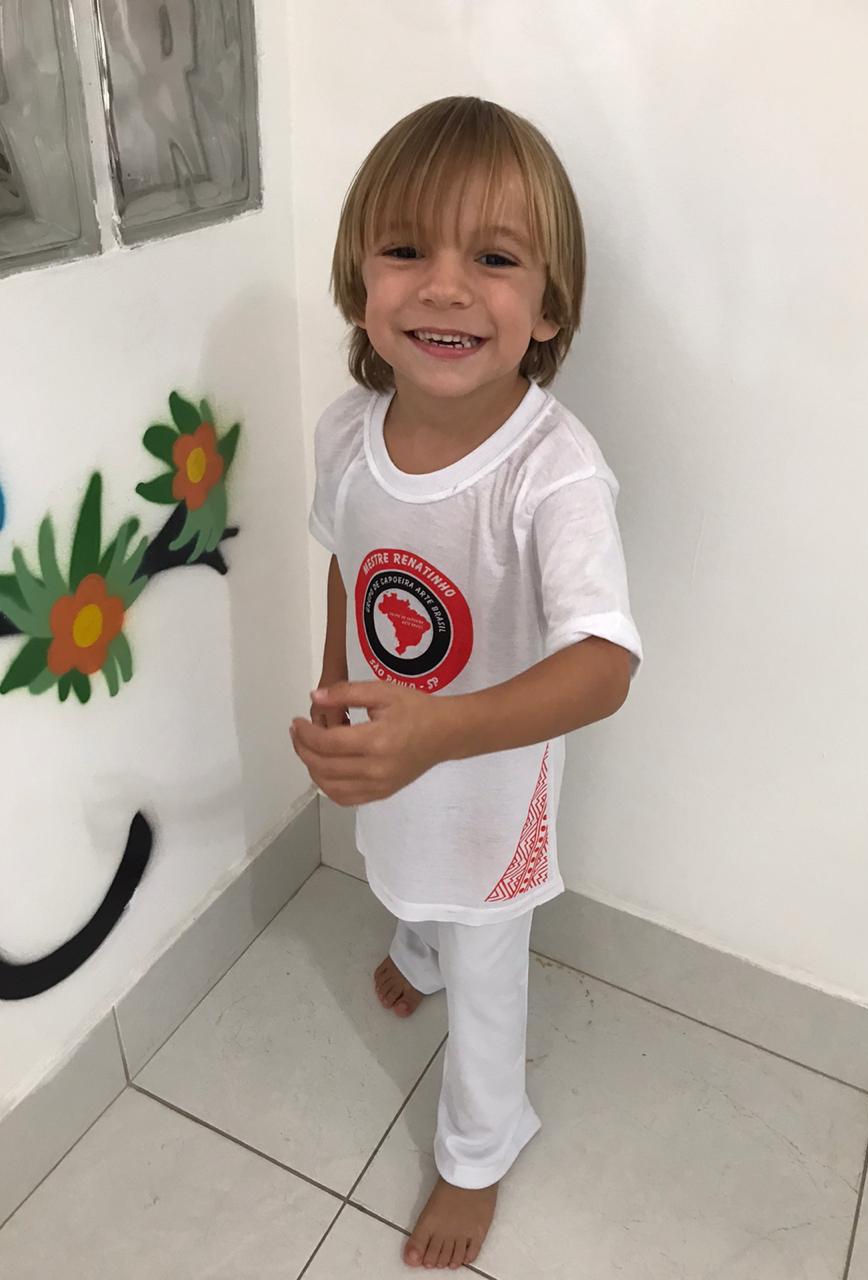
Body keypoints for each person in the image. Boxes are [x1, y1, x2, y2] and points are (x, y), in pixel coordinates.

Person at [290, 96, 643, 1271]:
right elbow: (348, 556)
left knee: (490, 969)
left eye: (492, 258)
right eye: (406, 248)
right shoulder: (346, 432)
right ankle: (420, 950)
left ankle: (480, 1148)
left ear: (549, 306)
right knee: (402, 860)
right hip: (403, 754)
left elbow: (604, 664)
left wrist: (440, 732)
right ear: (360, 283)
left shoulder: (554, 473)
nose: (443, 286)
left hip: (496, 791)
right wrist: (334, 686)